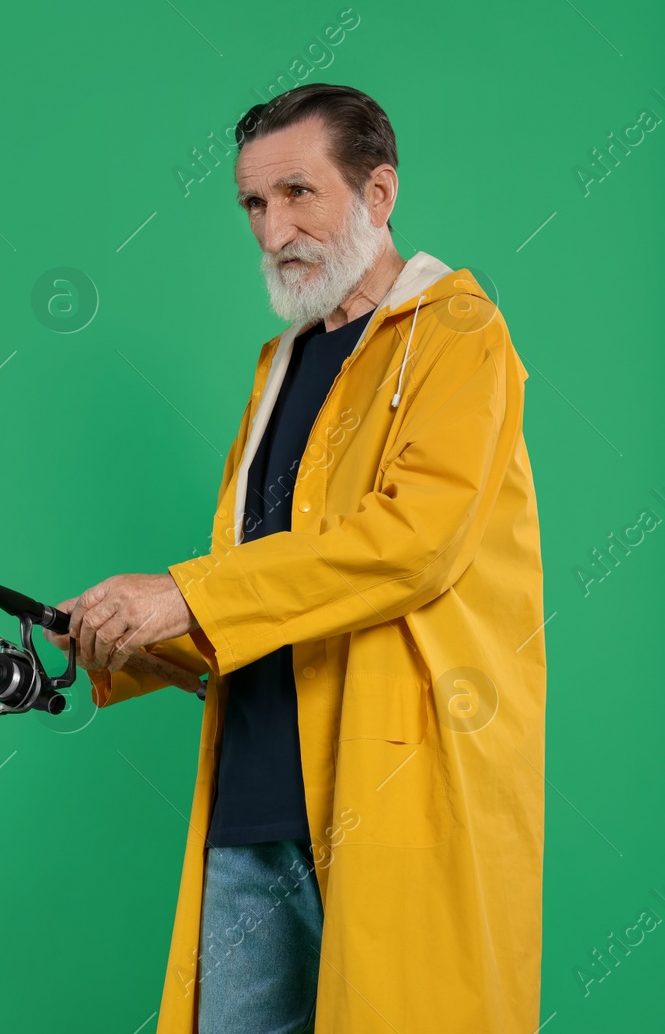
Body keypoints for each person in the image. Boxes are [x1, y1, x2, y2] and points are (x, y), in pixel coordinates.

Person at [45, 83, 545, 1033]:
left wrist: (185, 594)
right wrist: (110, 636)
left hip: (390, 794)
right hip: (253, 806)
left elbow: (411, 547)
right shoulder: (277, 369)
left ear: (379, 192)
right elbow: (260, 591)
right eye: (253, 204)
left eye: (299, 193)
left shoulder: (458, 335)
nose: (275, 229)